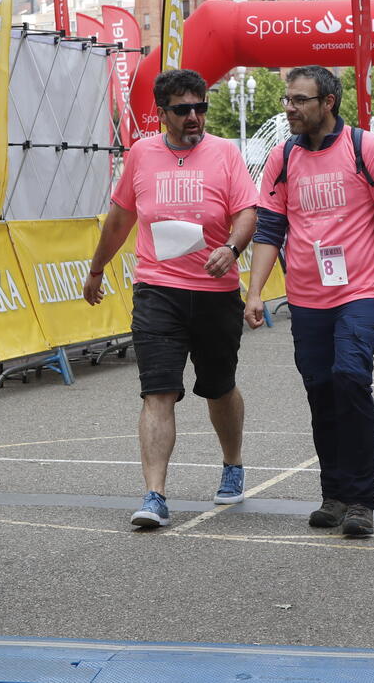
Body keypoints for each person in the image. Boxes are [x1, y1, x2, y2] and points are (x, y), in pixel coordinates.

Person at [243, 65, 374, 538]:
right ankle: (334, 494)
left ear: (328, 102)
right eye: (288, 100)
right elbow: (269, 230)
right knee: (320, 390)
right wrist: (254, 293)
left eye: (300, 100)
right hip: (306, 296)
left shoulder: (366, 149)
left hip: (360, 291)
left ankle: (361, 500)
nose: (291, 108)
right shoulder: (283, 157)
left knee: (350, 377)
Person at [82, 68, 257, 530]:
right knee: (157, 390)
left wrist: (232, 249)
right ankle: (154, 495)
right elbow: (119, 220)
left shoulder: (225, 153)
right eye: (183, 110)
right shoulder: (142, 154)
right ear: (161, 113)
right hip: (158, 290)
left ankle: (233, 463)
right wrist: (97, 269)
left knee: (219, 386)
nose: (195, 116)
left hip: (216, 292)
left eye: (201, 107)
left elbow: (246, 213)